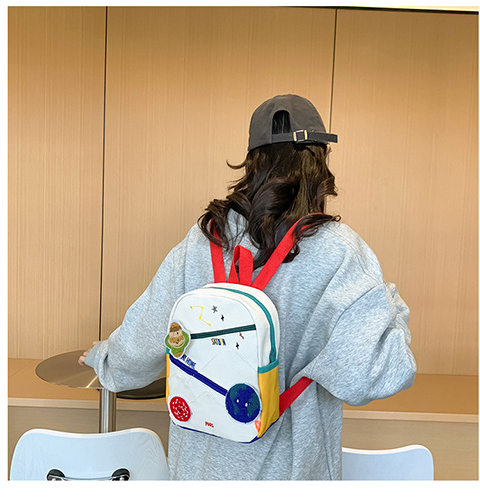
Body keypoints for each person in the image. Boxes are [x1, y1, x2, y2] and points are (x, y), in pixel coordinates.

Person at [79, 94, 416, 480]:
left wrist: (104, 358)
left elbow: (138, 352)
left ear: (253, 162)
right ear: (320, 161)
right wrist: (386, 301)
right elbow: (373, 375)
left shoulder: (205, 240)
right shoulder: (339, 252)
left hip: (199, 475)